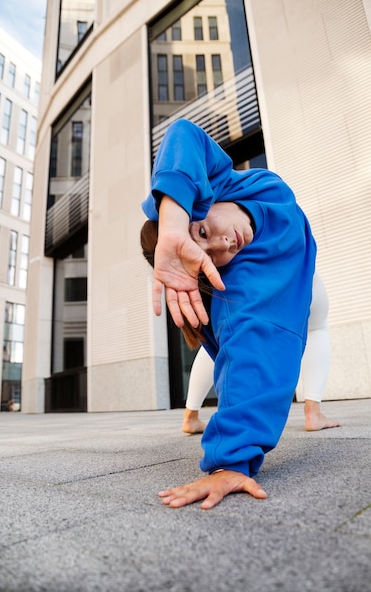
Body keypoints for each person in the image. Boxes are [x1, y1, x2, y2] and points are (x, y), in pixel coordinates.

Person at [141, 119, 324, 509]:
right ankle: (310, 409)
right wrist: (232, 463)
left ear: (198, 202)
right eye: (210, 260)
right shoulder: (245, 286)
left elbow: (183, 135)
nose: (224, 246)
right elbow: (251, 347)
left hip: (306, 265)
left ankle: (314, 409)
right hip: (290, 287)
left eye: (203, 233)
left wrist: (173, 222)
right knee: (243, 340)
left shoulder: (223, 185)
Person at [182, 270, 341, 434]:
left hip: (231, 283)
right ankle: (313, 413)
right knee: (317, 328)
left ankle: (190, 416)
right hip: (280, 274)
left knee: (225, 339)